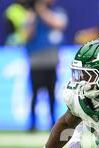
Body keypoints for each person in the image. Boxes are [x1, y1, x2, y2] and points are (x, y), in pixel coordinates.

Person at [24, 0, 67, 131]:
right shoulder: (30, 15)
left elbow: (59, 24)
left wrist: (41, 10)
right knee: (34, 93)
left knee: (51, 94)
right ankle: (32, 123)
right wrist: (32, 17)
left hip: (51, 60)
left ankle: (53, 122)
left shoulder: (57, 12)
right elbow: (26, 35)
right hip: (36, 61)